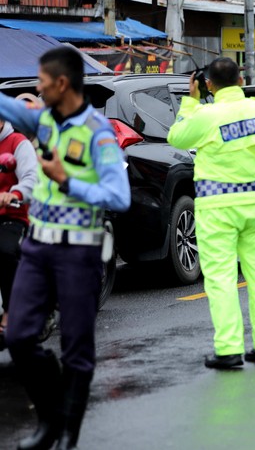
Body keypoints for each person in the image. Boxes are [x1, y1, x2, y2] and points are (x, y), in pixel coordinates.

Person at [1, 46, 130, 450]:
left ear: (61, 84)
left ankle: (62, 432)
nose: (36, 89)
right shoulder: (41, 121)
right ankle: (54, 412)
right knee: (19, 337)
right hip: (37, 249)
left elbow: (119, 195)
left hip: (79, 253)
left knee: (77, 347)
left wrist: (67, 180)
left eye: (41, 82)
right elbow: (5, 105)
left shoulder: (97, 132)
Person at [167, 58, 255, 370]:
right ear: (242, 80)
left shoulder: (206, 115)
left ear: (209, 84)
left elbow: (176, 137)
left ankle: (229, 349)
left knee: (221, 278)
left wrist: (189, 102)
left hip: (217, 209)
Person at [0, 117, 38, 351]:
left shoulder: (18, 143)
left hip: (12, 216)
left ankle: (11, 312)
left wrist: (13, 194)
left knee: (3, 251)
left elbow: (31, 179)